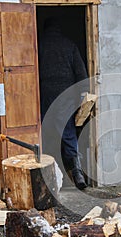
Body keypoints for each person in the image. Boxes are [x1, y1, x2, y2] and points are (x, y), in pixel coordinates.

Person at [39, 17, 88, 190]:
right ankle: (77, 173)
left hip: (44, 94)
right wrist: (83, 96)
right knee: (68, 134)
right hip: (66, 96)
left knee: (43, 133)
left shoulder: (38, 45)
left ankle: (44, 177)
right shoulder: (69, 45)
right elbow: (81, 73)